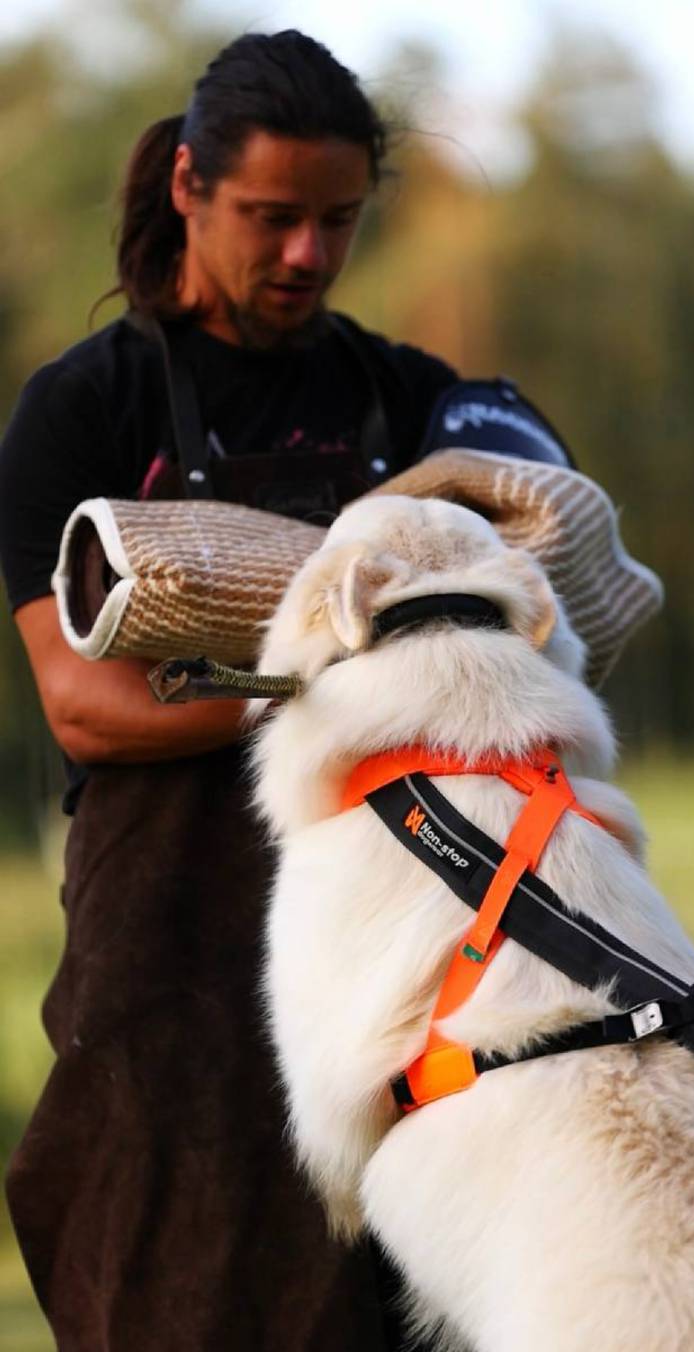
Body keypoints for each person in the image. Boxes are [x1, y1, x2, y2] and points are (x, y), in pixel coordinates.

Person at [0, 30, 458, 1352]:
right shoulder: (85, 411)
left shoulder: (411, 401)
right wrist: (342, 688)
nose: (308, 255)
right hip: (174, 963)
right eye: (272, 218)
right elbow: (85, 707)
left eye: (339, 221)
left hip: (401, 945)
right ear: (190, 188)